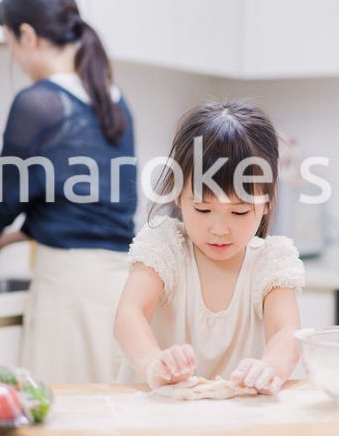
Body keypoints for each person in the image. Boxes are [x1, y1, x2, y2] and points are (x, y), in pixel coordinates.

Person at [0, 0, 137, 383]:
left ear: (26, 35)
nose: (16, 60)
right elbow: (87, 208)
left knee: (62, 420)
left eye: (9, 44)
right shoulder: (115, 99)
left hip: (70, 293)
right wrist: (3, 244)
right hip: (120, 290)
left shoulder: (40, 102)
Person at [115, 101, 305, 394]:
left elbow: (287, 331)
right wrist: (153, 362)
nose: (219, 229)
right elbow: (131, 312)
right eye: (203, 209)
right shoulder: (165, 246)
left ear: (267, 201)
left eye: (239, 212)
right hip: (157, 416)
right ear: (178, 194)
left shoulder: (271, 261)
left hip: (234, 419)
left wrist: (271, 367)